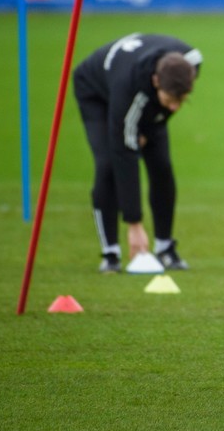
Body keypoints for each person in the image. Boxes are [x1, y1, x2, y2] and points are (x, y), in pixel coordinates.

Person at [73, 33, 202, 273]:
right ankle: (110, 253)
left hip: (145, 98)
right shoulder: (128, 88)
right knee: (108, 165)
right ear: (156, 81)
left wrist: (148, 129)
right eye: (171, 99)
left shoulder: (191, 62)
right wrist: (134, 223)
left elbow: (165, 105)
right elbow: (125, 153)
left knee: (161, 164)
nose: (175, 107)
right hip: (96, 92)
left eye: (182, 99)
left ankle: (165, 248)